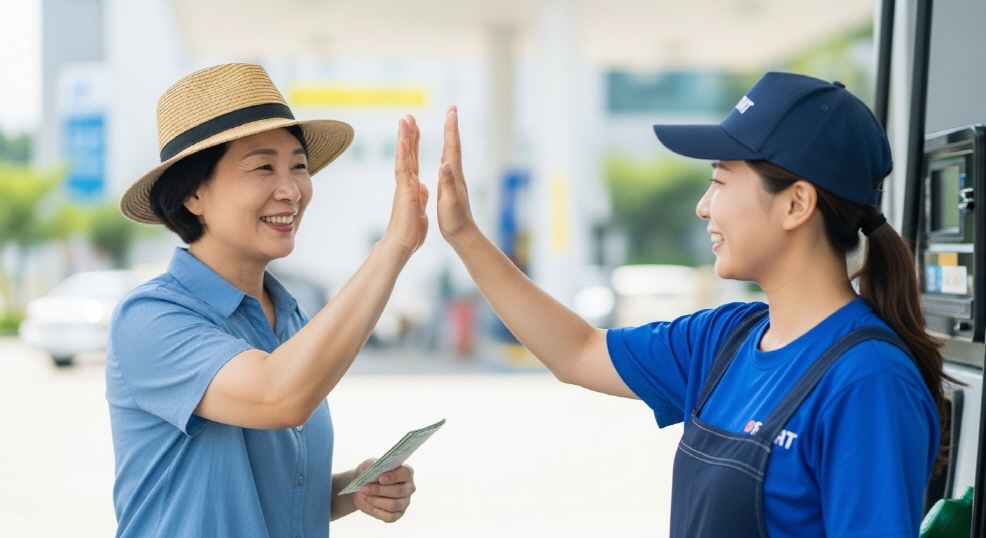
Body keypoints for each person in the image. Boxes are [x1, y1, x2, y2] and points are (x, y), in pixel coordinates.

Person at [435, 72, 949, 537]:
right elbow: (577, 351)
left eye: (721, 180)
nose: (704, 206)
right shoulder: (727, 337)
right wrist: (464, 235)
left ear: (796, 203)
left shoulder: (868, 382)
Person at [106, 63, 429, 537]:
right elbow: (280, 397)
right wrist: (393, 248)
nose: (291, 190)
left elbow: (277, 490)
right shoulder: (151, 318)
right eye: (263, 167)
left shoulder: (290, 316)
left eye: (298, 165)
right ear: (194, 194)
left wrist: (351, 492)